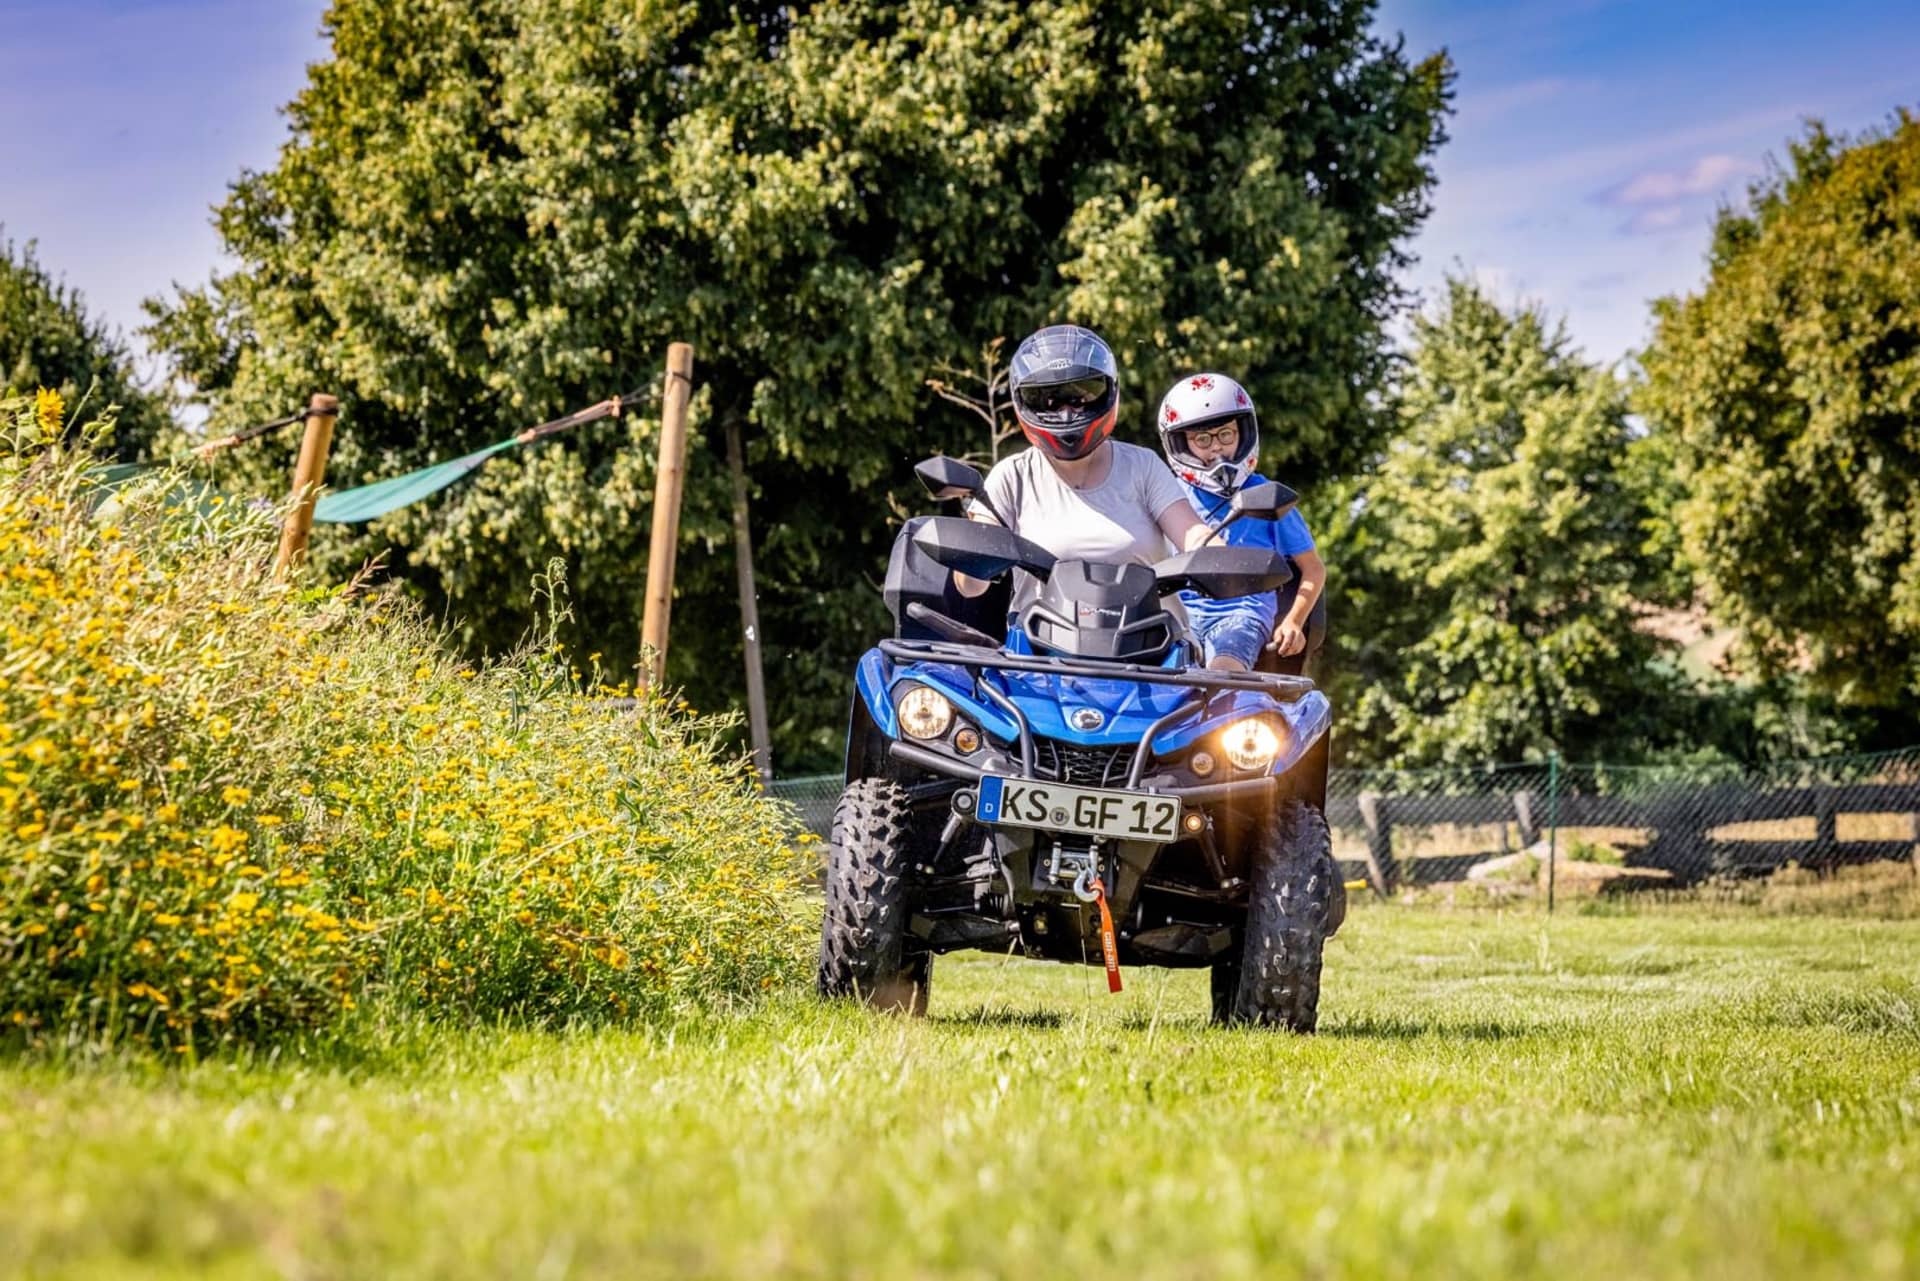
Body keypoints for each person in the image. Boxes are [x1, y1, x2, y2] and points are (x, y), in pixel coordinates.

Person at [956, 325, 1217, 607]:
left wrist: (1217, 552)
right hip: (1040, 643)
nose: (1067, 413)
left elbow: (1191, 533)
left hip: (1152, 641)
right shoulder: (1012, 476)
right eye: (1049, 400)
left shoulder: (1143, 466)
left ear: (1110, 391)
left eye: (1081, 398)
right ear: (1023, 401)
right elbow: (970, 586)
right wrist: (975, 552)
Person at [1156, 372, 1325, 673]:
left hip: (1241, 613)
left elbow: (1313, 568)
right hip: (1177, 615)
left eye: (1226, 434)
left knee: (1223, 671)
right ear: (1181, 444)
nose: (1217, 448)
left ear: (1243, 434)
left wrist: (1294, 621)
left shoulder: (1266, 495)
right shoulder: (1168, 497)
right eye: (1202, 439)